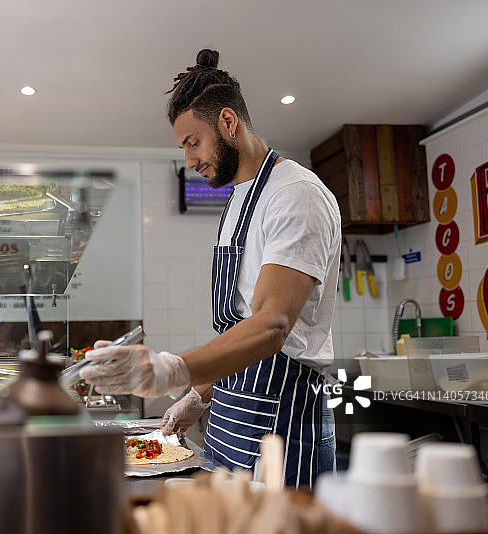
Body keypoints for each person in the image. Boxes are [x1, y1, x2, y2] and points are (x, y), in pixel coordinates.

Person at [81, 49, 341, 488]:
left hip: (283, 420)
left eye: (192, 142)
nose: (189, 160)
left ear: (227, 122)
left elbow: (271, 326)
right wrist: (198, 396)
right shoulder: (238, 200)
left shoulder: (296, 194)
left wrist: (171, 369)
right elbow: (237, 325)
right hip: (227, 415)